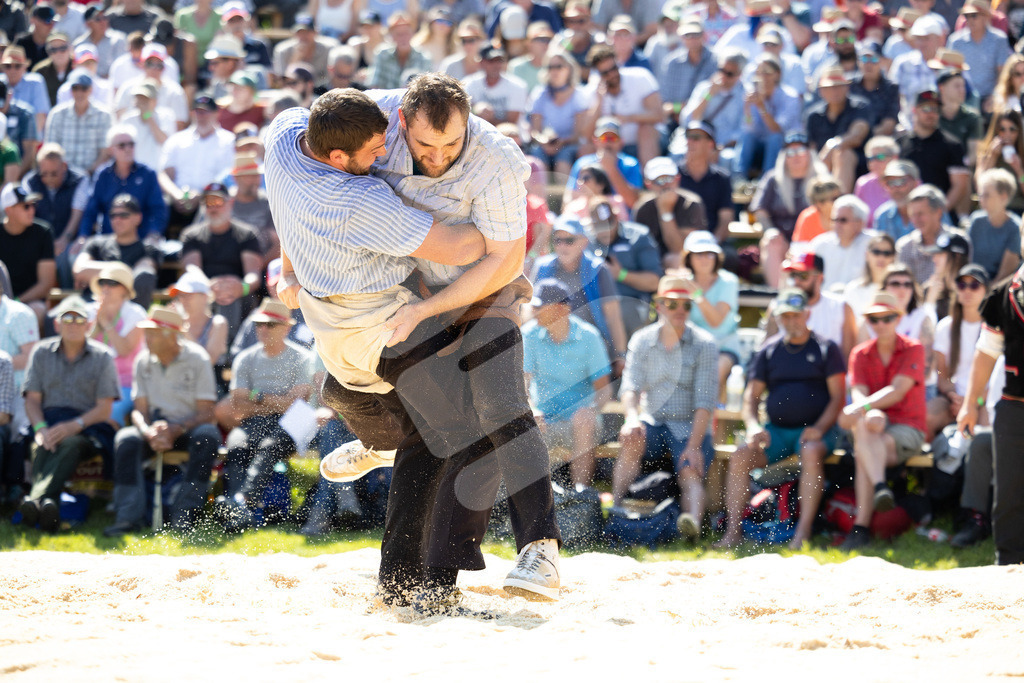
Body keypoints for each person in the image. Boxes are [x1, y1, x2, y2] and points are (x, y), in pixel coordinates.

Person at [266, 84, 560, 607]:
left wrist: (288, 267)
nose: (438, 158)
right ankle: (414, 579)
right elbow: (465, 243)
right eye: (425, 147)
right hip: (402, 300)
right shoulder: (361, 174)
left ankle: (535, 547)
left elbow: (505, 260)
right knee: (428, 423)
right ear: (400, 121)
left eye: (452, 146)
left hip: (473, 294)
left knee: (493, 407)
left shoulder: (289, 135)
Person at [716, 287, 846, 549]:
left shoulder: (826, 348)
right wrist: (752, 426)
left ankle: (803, 532)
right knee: (741, 456)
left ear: (807, 314)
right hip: (776, 431)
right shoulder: (768, 350)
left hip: (816, 431)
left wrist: (820, 428)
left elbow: (838, 397)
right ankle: (732, 531)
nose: (791, 322)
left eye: (796, 316)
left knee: (810, 452)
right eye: (785, 316)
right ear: (777, 318)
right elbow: (751, 397)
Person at [614, 274, 718, 540]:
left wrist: (694, 446)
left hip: (688, 426)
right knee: (631, 439)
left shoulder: (705, 343)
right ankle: (615, 512)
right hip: (653, 421)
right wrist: (631, 418)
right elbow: (630, 387)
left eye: (686, 304)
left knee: (689, 469)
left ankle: (691, 528)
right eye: (673, 304)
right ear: (659, 305)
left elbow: (704, 402)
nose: (680, 310)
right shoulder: (641, 339)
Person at [103, 306, 221, 536]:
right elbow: (139, 411)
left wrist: (178, 428)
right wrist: (148, 432)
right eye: (148, 332)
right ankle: (128, 517)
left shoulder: (197, 358)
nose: (147, 338)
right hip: (155, 428)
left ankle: (185, 515)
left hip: (188, 427)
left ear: (172, 336)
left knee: (207, 436)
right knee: (126, 438)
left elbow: (208, 412)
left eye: (153, 333)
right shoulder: (142, 360)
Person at [19, 295, 118, 533]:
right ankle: (47, 505)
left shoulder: (103, 356)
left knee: (70, 443)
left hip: (88, 427)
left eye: (79, 319)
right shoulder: (41, 352)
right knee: (41, 444)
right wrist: (40, 429)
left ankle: (34, 501)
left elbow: (105, 408)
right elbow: (32, 401)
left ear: (88, 325)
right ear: (57, 324)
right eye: (67, 318)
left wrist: (74, 425)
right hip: (48, 421)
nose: (73, 323)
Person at [216, 299, 314, 532]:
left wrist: (256, 396)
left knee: (270, 446)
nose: (262, 329)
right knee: (236, 445)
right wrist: (277, 401)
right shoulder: (246, 358)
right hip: (255, 421)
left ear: (286, 328)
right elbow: (238, 405)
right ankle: (239, 514)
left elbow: (296, 405)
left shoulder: (301, 357)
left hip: (294, 423)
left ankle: (241, 504)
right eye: (259, 324)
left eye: (270, 325)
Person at [839, 291, 928, 550]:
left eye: (887, 318)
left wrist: (864, 409)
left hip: (907, 427)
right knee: (866, 433)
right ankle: (879, 487)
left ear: (898, 319)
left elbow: (897, 391)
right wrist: (868, 412)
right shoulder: (860, 352)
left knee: (865, 446)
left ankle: (861, 527)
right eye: (874, 319)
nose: (880, 324)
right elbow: (859, 393)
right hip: (875, 430)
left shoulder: (914, 348)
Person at [957, 256, 1024, 564]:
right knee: (1008, 495)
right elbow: (986, 352)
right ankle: (1008, 567)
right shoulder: (1003, 294)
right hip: (1014, 407)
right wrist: (970, 403)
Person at [522, 279, 612, 486]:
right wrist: (531, 409)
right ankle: (528, 503)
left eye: (539, 305)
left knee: (583, 422)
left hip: (580, 423)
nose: (534, 310)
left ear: (562, 309)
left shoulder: (589, 337)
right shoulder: (529, 334)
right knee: (522, 428)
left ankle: (580, 496)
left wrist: (591, 409)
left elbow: (604, 391)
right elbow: (523, 386)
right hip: (544, 420)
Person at [532, 216, 629, 360]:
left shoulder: (598, 269)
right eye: (558, 240)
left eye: (569, 240)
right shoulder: (542, 267)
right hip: (549, 344)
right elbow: (531, 311)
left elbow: (613, 316)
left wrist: (620, 355)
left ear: (584, 242)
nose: (562, 246)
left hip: (590, 346)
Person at [179, 182, 262, 337]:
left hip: (239, 294)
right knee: (220, 295)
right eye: (208, 203)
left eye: (218, 201)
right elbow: (193, 269)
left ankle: (224, 354)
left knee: (228, 297)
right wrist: (209, 287)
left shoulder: (246, 234)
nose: (213, 207)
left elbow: (253, 275)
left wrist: (240, 287)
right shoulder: (192, 235)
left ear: (230, 203)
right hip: (203, 290)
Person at [752, 132, 827, 288]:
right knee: (771, 242)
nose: (796, 157)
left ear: (809, 154)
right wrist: (769, 230)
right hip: (783, 241)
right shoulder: (773, 179)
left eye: (800, 151)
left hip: (812, 241)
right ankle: (779, 294)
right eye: (790, 152)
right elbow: (760, 210)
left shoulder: (822, 178)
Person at [583, 196, 663, 337]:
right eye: (600, 226)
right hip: (597, 306)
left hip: (632, 304)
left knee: (626, 311)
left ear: (617, 218)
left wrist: (621, 274)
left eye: (609, 224)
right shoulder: (584, 241)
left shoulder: (638, 236)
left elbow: (654, 282)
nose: (605, 231)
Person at [928, 264, 989, 440]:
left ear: (986, 290)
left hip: (982, 399)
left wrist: (973, 402)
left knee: (985, 429)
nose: (967, 290)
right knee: (927, 416)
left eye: (974, 285)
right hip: (952, 398)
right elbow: (941, 372)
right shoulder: (945, 326)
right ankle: (926, 467)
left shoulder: (995, 326)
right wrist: (953, 396)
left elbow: (997, 379)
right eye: (962, 285)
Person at [677, 230, 740, 399]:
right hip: (690, 348)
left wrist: (696, 294)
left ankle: (710, 421)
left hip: (724, 348)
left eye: (709, 254)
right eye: (698, 254)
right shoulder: (680, 283)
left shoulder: (729, 281)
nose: (704, 259)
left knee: (714, 371)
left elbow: (716, 321)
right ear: (688, 258)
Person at [158, 95, 236, 230]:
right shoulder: (176, 140)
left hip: (212, 199)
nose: (202, 116)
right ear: (191, 113)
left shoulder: (228, 141)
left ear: (216, 114)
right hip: (177, 199)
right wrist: (176, 194)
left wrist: (201, 195)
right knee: (159, 205)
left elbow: (228, 176)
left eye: (206, 112)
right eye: (198, 112)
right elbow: (164, 174)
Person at [78, 125, 168, 239]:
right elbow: (91, 210)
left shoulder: (148, 174)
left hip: (141, 241)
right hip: (109, 241)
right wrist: (83, 236)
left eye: (131, 144)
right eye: (122, 145)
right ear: (111, 150)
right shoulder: (103, 175)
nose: (127, 149)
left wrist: (154, 234)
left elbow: (158, 209)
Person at [73, 194, 161, 309]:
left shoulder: (149, 249)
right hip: (92, 303)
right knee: (53, 317)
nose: (117, 220)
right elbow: (79, 270)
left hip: (127, 308)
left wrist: (95, 273)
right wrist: (124, 269)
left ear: (138, 218)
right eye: (113, 215)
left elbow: (143, 276)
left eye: (123, 215)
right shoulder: (96, 243)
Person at [764, 252, 858, 358]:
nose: (797, 281)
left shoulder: (841, 307)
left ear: (820, 278)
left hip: (827, 373)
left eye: (803, 276)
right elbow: (766, 351)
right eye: (793, 275)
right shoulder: (777, 307)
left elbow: (848, 358)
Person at [86, 262, 146, 427]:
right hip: (91, 383)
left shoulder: (136, 313)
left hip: (124, 385)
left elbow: (124, 349)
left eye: (112, 283)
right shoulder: (88, 311)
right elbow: (81, 349)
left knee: (110, 414)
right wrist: (95, 325)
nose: (106, 287)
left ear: (125, 290)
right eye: (102, 282)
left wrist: (105, 323)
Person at [584, 43, 662, 167]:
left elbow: (659, 115)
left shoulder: (640, 77)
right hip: (613, 147)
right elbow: (587, 135)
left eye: (613, 68)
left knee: (645, 129)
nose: (612, 74)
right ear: (598, 74)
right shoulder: (593, 91)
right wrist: (599, 101)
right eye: (605, 73)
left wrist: (629, 118)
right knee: (591, 144)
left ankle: (649, 180)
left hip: (649, 141)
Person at [23, 142, 87, 289]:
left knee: (67, 257)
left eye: (54, 173)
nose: (49, 178)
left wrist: (64, 240)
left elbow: (77, 215)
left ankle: (69, 298)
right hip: (40, 239)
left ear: (64, 166)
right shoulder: (30, 181)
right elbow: (28, 214)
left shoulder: (80, 180)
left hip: (70, 239)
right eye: (44, 174)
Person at [896, 90, 970, 215]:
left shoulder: (952, 145)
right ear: (914, 110)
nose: (931, 113)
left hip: (939, 216)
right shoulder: (900, 143)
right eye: (926, 108)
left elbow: (959, 185)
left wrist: (938, 214)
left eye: (935, 109)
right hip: (904, 215)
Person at [803, 66, 871, 193]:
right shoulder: (813, 115)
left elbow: (856, 136)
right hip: (822, 165)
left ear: (847, 88)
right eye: (829, 88)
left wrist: (832, 146)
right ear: (821, 91)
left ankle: (838, 200)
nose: (834, 91)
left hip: (859, 164)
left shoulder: (860, 106)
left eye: (838, 86)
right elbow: (810, 147)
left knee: (843, 154)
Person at [736, 53, 802, 181]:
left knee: (774, 138)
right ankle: (738, 180)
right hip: (759, 145)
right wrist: (747, 109)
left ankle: (767, 182)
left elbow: (777, 129)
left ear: (777, 74)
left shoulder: (790, 97)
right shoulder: (752, 95)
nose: (762, 77)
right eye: (759, 72)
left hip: (782, 146)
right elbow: (748, 128)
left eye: (766, 72)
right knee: (746, 137)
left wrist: (761, 107)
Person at [632, 156, 706, 268]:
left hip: (685, 264)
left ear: (677, 179)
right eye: (659, 181)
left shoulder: (691, 204)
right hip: (651, 264)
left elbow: (680, 250)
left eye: (669, 179)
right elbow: (640, 249)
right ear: (648, 184)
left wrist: (665, 211)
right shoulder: (642, 208)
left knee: (674, 260)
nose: (665, 185)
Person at [526, 47, 587, 178]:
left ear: (569, 68)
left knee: (563, 158)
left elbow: (578, 135)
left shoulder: (579, 94)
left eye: (559, 66)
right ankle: (539, 198)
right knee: (537, 157)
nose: (554, 71)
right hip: (544, 145)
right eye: (550, 67)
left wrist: (561, 142)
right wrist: (544, 141)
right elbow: (535, 131)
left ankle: (563, 198)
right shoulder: (539, 93)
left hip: (569, 145)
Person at [0, 183, 55, 321]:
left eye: (33, 205)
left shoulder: (43, 233)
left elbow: (46, 284)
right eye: (26, 206)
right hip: (1, 302)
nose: (32, 210)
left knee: (39, 310)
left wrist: (15, 302)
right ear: (8, 210)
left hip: (28, 303)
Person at [896, 184, 970, 286]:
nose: (916, 220)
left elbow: (965, 280)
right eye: (913, 215)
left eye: (921, 214)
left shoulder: (959, 241)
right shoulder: (905, 246)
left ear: (938, 212)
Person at [563, 117, 643, 210]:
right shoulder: (582, 164)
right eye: (604, 137)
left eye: (613, 138)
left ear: (621, 141)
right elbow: (569, 201)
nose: (608, 142)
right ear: (595, 140)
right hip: (587, 217)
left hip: (621, 220)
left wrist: (611, 168)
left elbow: (633, 202)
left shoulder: (631, 164)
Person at [42, 72, 111, 177]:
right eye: (75, 88)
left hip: (93, 176)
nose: (79, 93)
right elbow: (50, 149)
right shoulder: (57, 114)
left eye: (84, 88)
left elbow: (105, 153)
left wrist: (87, 174)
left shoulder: (104, 115)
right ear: (70, 90)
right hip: (61, 177)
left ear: (91, 90)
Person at [676, 120, 734, 240]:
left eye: (696, 137)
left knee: (731, 257)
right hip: (678, 245)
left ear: (710, 144)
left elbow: (726, 218)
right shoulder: (673, 175)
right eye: (688, 137)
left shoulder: (722, 178)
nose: (690, 142)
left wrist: (712, 245)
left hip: (711, 243)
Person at [948, 0, 1012, 109]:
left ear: (986, 17)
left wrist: (994, 97)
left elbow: (1002, 74)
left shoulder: (999, 40)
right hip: (963, 99)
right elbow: (951, 73)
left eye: (974, 15)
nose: (969, 20)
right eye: (966, 16)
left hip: (991, 98)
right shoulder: (955, 41)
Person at [967, 168, 1022, 283]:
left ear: (1004, 197)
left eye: (987, 195)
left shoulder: (1015, 227)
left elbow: (1005, 274)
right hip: (972, 285)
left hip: (997, 292)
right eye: (980, 195)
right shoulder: (976, 220)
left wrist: (985, 294)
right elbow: (967, 259)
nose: (982, 200)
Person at [810, 194, 875, 292]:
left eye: (843, 220)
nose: (837, 225)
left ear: (860, 223)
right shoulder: (820, 244)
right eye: (835, 220)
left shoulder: (874, 244)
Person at [169, 266, 229, 369]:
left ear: (205, 296)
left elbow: (208, 361)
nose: (183, 300)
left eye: (188, 295)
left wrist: (182, 328)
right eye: (181, 295)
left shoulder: (218, 323)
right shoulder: (177, 323)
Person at [974, 110, 1024, 215]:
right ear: (996, 131)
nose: (1007, 135)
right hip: (991, 209)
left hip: (1017, 210)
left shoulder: (1022, 154)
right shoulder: (986, 153)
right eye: (1002, 129)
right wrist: (992, 157)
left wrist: (1019, 172)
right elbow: (980, 187)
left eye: (1012, 129)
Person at [463, 45, 528, 127]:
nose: (496, 65)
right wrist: (475, 111)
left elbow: (511, 124)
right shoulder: (468, 83)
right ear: (481, 62)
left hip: (506, 136)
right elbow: (463, 115)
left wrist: (488, 118)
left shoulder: (517, 86)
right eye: (491, 61)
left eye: (499, 61)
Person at [367, 12, 431, 90]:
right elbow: (374, 84)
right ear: (391, 36)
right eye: (399, 34)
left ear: (412, 34)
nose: (403, 38)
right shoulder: (382, 54)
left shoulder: (424, 57)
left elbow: (427, 89)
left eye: (406, 33)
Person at [844, 232, 897, 322]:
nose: (881, 257)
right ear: (867, 255)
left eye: (887, 253)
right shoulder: (853, 289)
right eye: (876, 252)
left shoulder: (901, 288)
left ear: (893, 257)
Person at [854, 136, 899, 227]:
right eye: (870, 159)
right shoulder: (863, 184)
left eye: (880, 157)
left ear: (894, 158)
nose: (874, 163)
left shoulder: (908, 181)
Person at [874, 159, 921, 242]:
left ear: (915, 183)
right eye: (890, 183)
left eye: (900, 181)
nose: (895, 187)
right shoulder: (882, 215)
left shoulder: (933, 209)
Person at [791, 175, 842, 245]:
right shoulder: (808, 218)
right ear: (819, 203)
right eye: (834, 198)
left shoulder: (847, 215)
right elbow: (800, 249)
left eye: (841, 196)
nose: (840, 201)